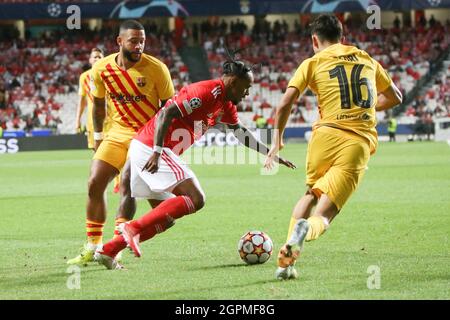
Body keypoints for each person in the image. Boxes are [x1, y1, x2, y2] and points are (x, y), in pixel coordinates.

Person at [94, 59, 296, 269]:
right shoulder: (206, 92)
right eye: (246, 88)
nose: (247, 94)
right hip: (152, 148)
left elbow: (240, 133)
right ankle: (132, 228)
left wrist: (270, 152)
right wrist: (157, 151)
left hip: (150, 150)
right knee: (196, 198)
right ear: (234, 82)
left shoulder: (224, 104)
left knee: (165, 219)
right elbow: (166, 113)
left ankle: (108, 251)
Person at [264, 14, 403, 280]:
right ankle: (306, 232)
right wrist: (365, 107)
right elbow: (395, 96)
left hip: (323, 136)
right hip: (356, 142)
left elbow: (284, 104)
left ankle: (286, 263)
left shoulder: (312, 62)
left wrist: (277, 142)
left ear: (315, 39)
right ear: (341, 35)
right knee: (325, 216)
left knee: (310, 194)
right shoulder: (367, 59)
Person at [67, 20, 175, 266]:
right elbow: (96, 105)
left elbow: (170, 111)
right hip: (115, 134)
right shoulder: (102, 68)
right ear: (119, 42)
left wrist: (160, 148)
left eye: (143, 41)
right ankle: (93, 246)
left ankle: (113, 250)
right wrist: (97, 138)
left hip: (145, 138)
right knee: (95, 183)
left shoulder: (157, 69)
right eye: (134, 41)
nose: (139, 46)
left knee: (127, 186)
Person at [75, 48, 121, 193]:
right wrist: (77, 120)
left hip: (110, 120)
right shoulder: (84, 77)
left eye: (99, 57)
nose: (96, 59)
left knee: (115, 151)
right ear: (89, 60)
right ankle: (102, 180)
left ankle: (118, 182)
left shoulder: (109, 74)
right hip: (92, 122)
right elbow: (81, 100)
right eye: (94, 57)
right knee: (97, 152)